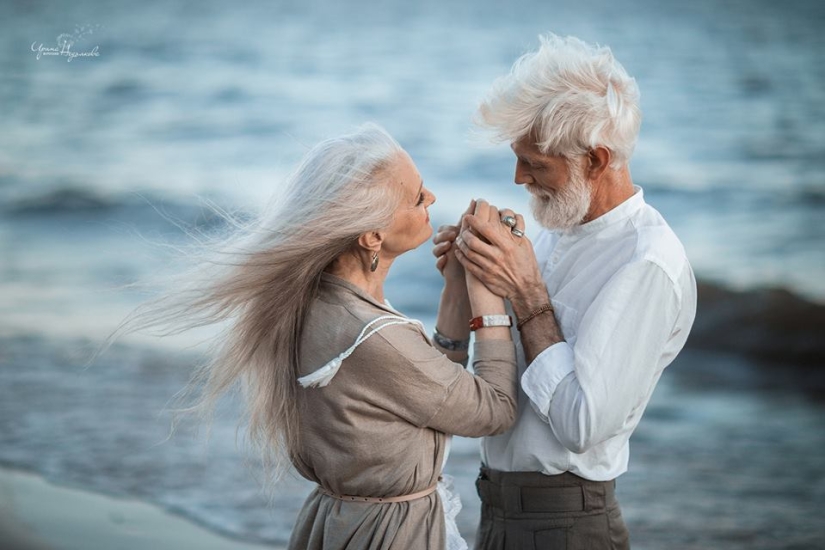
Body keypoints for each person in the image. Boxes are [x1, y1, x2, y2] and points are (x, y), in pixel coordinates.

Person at [117, 123, 519, 550]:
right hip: (388, 535)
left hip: (338, 523)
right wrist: (490, 300)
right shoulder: (374, 337)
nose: (433, 199)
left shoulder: (313, 306)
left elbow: (430, 396)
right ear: (372, 236)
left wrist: (456, 288)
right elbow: (493, 411)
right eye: (417, 197)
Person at [433, 34, 697, 549]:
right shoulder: (553, 232)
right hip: (495, 510)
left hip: (566, 524)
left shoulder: (647, 263)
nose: (517, 177)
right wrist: (471, 281)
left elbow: (583, 424)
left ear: (596, 160)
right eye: (516, 157)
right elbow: (498, 386)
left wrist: (528, 293)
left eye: (535, 162)